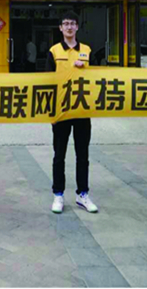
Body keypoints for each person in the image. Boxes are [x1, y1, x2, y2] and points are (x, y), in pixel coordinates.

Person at [46, 11, 98, 214]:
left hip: (82, 109)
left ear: (77, 27)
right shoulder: (53, 51)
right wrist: (51, 112)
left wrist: (85, 69)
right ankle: (58, 194)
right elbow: (47, 83)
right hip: (61, 111)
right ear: (60, 28)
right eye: (65, 23)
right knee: (59, 155)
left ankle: (82, 194)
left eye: (72, 23)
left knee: (82, 155)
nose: (69, 27)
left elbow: (97, 79)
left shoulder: (87, 50)